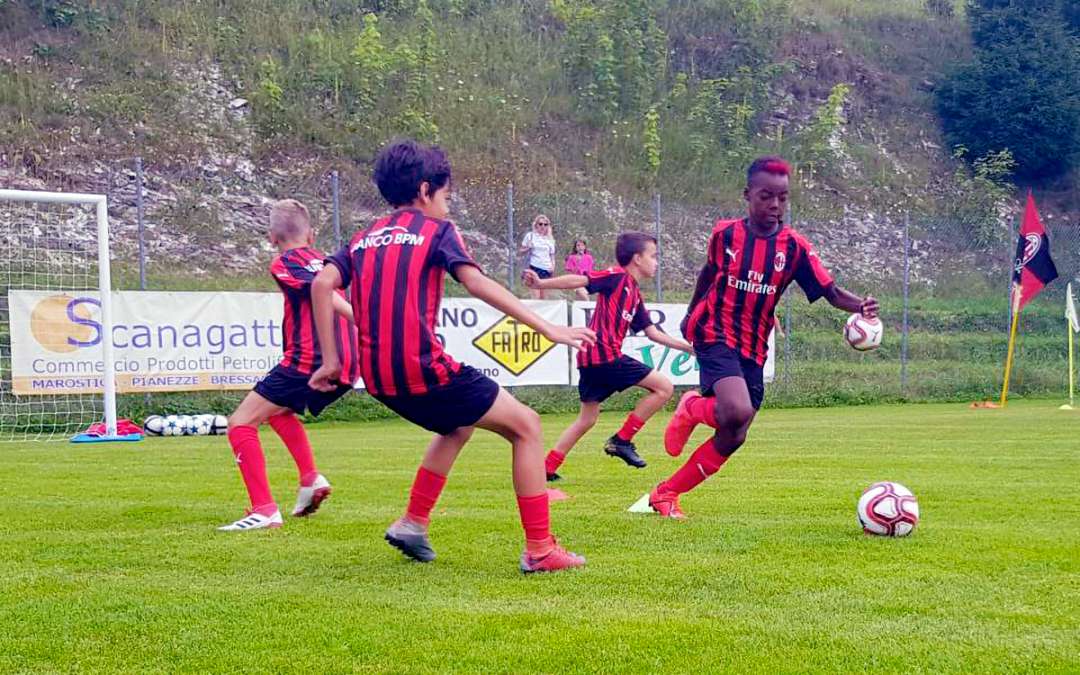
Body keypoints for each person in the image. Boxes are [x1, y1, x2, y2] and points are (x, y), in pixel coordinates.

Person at [308, 139, 597, 573]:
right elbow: (478, 284)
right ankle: (540, 550)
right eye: (446, 195)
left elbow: (320, 285)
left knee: (457, 427)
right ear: (425, 191)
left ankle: (412, 523)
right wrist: (548, 327)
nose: (448, 205)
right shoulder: (437, 231)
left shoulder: (362, 238)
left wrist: (331, 361)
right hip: (422, 366)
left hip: (379, 377)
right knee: (527, 427)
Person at [650, 156, 879, 519]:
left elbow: (830, 291)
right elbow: (707, 274)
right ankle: (692, 408)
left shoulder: (795, 248)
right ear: (748, 195)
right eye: (766, 196)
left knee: (736, 433)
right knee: (735, 409)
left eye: (783, 198)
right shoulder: (725, 234)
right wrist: (690, 314)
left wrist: (861, 305)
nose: (775, 205)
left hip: (755, 344)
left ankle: (667, 492)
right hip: (714, 329)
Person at [218, 199, 359, 531]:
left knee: (240, 423)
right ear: (311, 235)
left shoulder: (284, 263)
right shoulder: (326, 262)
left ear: (272, 237)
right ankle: (310, 477)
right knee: (278, 412)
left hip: (311, 360)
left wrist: (359, 318)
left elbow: (320, 291)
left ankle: (264, 510)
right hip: (351, 362)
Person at [524, 232, 692, 482]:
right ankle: (622, 440)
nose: (657, 262)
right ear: (637, 258)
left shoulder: (634, 293)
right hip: (603, 354)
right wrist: (540, 285)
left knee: (587, 419)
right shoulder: (616, 276)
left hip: (590, 358)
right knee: (664, 388)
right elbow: (580, 280)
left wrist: (689, 348)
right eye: (653, 256)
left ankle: (547, 467)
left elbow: (653, 333)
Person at [519, 215, 556, 299]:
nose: (543, 226)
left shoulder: (550, 239)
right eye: (540, 224)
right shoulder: (530, 236)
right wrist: (528, 247)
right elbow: (521, 251)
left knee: (544, 297)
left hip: (546, 269)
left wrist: (553, 266)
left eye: (545, 224)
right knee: (536, 296)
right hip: (534, 267)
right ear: (536, 225)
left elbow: (552, 255)